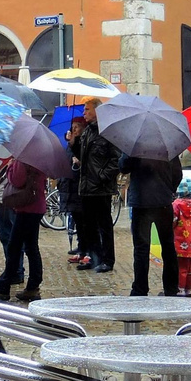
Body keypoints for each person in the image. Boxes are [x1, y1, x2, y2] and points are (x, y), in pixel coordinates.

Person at [0, 157, 46, 302]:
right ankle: (33, 286)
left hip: (27, 208)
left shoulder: (24, 157)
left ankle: (3, 287)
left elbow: (17, 180)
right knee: (31, 247)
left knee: (14, 246)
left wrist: (11, 166)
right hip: (36, 205)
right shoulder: (40, 156)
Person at [121, 153, 182, 296]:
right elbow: (177, 174)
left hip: (142, 202)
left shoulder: (135, 146)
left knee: (142, 248)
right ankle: (171, 288)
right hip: (162, 202)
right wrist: (168, 190)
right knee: (168, 247)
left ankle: (140, 290)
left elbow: (123, 167)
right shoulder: (166, 148)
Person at [72, 99, 120, 272]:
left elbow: (116, 160)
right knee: (88, 226)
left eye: (87, 109)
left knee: (104, 225)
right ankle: (94, 256)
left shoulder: (107, 132)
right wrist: (74, 142)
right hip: (86, 187)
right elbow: (82, 157)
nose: (84, 112)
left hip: (100, 187)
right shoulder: (87, 132)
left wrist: (102, 176)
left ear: (97, 111)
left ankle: (107, 260)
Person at [0, 143, 25, 285]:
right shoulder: (22, 147)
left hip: (3, 196)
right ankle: (16, 270)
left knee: (7, 236)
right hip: (15, 195)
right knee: (15, 235)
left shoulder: (2, 147)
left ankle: (14, 271)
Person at [62, 116, 87, 260]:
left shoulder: (83, 142)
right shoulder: (71, 143)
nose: (73, 129)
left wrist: (79, 162)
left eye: (76, 126)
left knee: (84, 221)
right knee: (77, 219)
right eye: (72, 126)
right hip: (70, 185)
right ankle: (81, 246)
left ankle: (86, 249)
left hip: (79, 186)